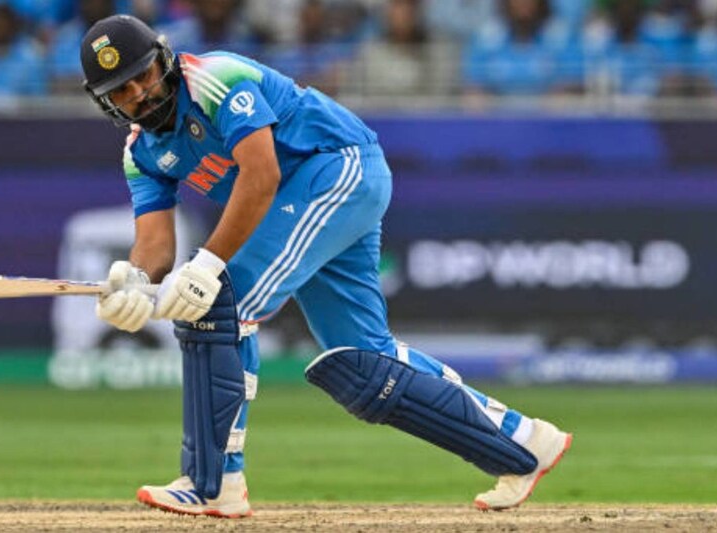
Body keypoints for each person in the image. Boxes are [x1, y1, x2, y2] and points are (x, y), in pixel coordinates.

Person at [79, 14, 572, 518]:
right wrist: (134, 283)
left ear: (163, 60)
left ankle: (214, 483)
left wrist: (207, 264)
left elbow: (262, 174)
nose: (139, 93)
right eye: (121, 90)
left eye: (143, 75)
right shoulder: (140, 153)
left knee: (220, 302)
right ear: (106, 102)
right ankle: (525, 443)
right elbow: (155, 247)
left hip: (338, 168)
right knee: (363, 366)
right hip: (307, 200)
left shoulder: (215, 79)